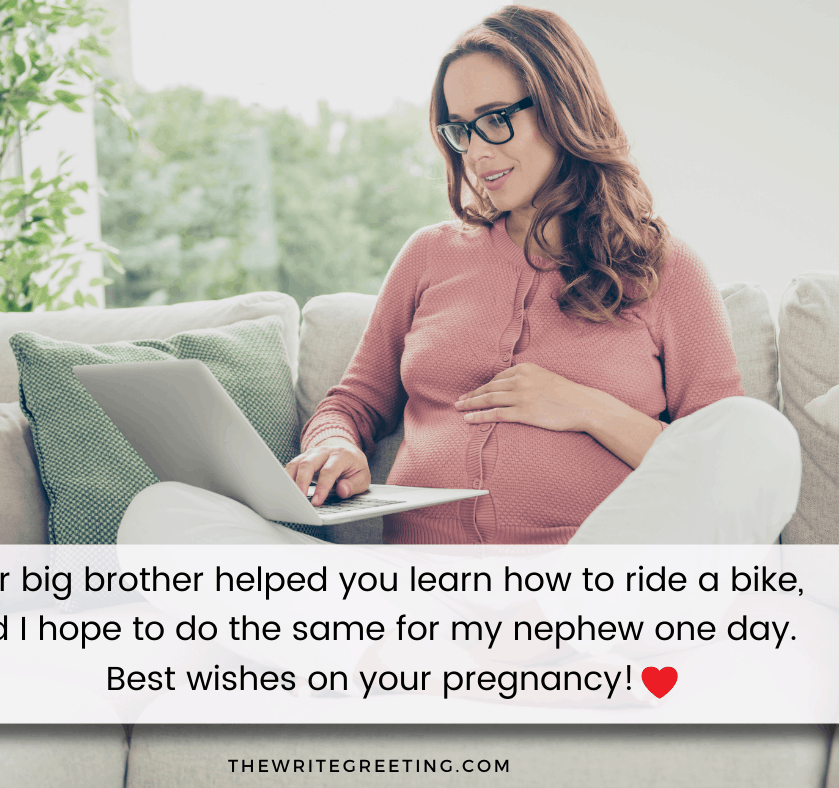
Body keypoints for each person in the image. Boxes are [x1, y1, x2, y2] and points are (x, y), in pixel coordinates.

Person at [121, 5, 800, 550]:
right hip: (424, 596)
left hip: (587, 591)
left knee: (759, 435)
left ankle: (516, 663)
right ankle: (490, 673)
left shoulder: (665, 269)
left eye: (496, 122)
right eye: (460, 130)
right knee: (162, 514)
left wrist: (586, 407)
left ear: (564, 108)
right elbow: (351, 403)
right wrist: (333, 447)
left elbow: (718, 456)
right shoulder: (429, 255)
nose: (476, 152)